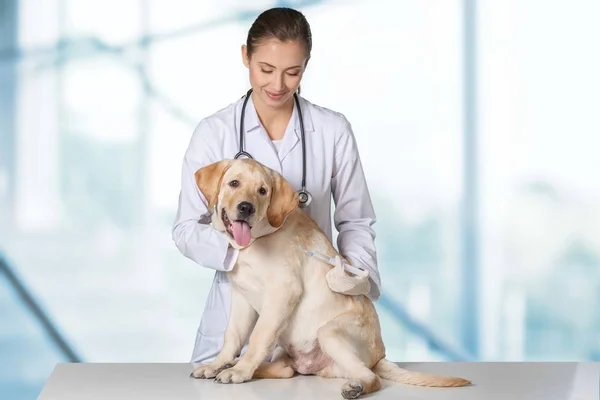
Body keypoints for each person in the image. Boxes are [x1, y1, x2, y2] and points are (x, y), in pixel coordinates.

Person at [172, 6, 381, 364]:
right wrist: (243, 251)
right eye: (265, 69)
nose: (277, 85)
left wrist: (355, 272)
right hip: (236, 311)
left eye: (292, 72)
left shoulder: (332, 131)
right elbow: (186, 229)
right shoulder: (214, 133)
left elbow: (356, 221)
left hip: (310, 323)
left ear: (306, 67)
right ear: (245, 57)